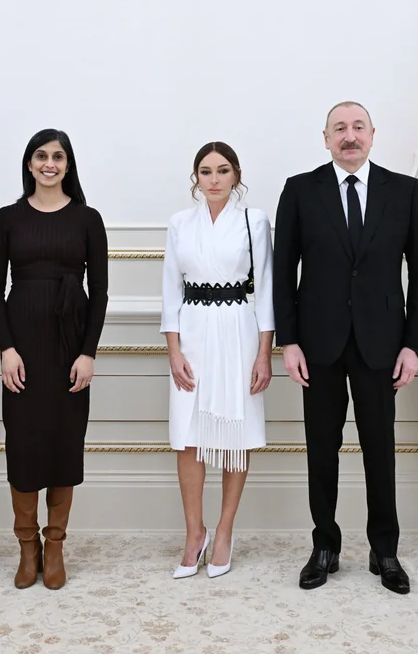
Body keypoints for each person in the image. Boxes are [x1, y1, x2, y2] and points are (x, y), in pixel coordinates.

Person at [273, 100, 418, 595]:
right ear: (325, 138)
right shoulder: (300, 190)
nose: (349, 136)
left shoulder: (404, 191)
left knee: (380, 452)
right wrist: (288, 340)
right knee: (322, 451)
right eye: (339, 128)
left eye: (358, 127)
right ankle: (325, 546)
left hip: (381, 346)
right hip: (317, 345)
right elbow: (283, 272)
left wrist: (414, 346)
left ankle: (385, 551)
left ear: (372, 134)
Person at [0, 129, 109, 590]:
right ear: (29, 163)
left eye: (58, 156)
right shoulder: (7, 218)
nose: (49, 164)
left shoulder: (87, 219)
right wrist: (7, 348)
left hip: (70, 345)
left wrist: (88, 353)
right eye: (41, 156)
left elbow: (100, 292)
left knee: (64, 443)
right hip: (22, 345)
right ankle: (27, 546)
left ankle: (54, 545)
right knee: (23, 444)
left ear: (68, 164)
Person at [160, 142, 275, 579]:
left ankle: (225, 531)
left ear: (236, 175)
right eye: (205, 171)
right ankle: (195, 533)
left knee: (234, 434)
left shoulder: (254, 220)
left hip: (238, 333)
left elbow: (265, 289)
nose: (214, 179)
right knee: (188, 435)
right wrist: (174, 351)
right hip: (192, 333)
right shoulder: (180, 223)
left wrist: (264, 354)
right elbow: (171, 289)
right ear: (196, 178)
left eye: (222, 170)